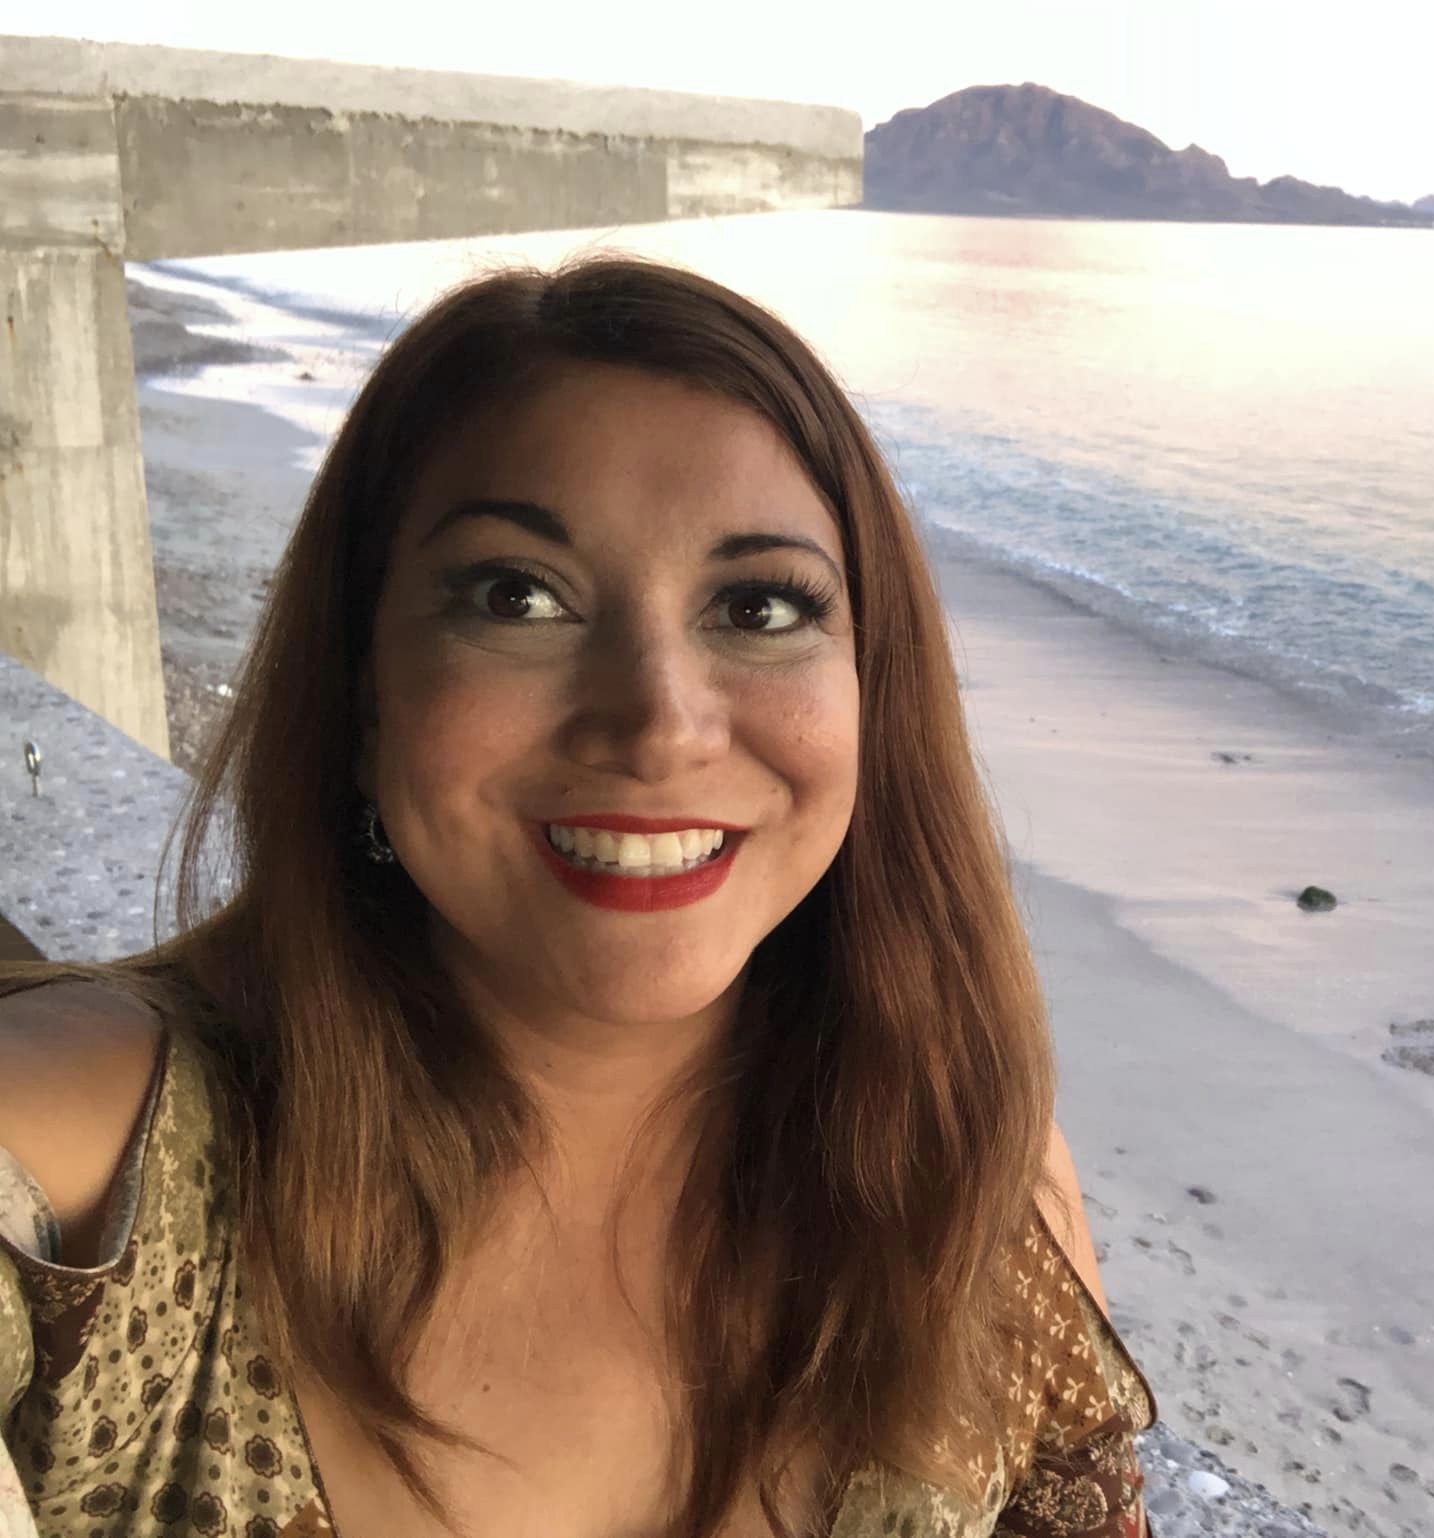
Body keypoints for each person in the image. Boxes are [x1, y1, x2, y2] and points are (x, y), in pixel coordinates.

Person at [0, 256, 1156, 1538]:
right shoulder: (88, 1171)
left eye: (757, 605)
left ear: (873, 690)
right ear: (364, 693)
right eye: (518, 595)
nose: (659, 721)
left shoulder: (972, 1185)